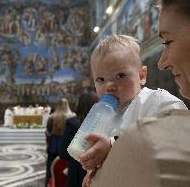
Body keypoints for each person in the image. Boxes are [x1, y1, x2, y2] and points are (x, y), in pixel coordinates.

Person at [80, 34, 188, 186]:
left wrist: (112, 147)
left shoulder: (155, 101)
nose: (109, 86)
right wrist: (94, 170)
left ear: (141, 76)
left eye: (120, 75)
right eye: (101, 79)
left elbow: (180, 136)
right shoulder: (103, 118)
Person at [59, 91, 98, 187]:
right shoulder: (102, 125)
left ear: (79, 104)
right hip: (98, 171)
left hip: (77, 171)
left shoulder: (72, 124)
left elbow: (63, 153)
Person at [45, 98, 75, 187]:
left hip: (54, 147)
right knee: (65, 171)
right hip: (66, 146)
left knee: (51, 171)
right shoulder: (72, 116)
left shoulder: (51, 117)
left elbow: (48, 132)